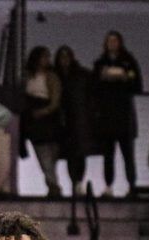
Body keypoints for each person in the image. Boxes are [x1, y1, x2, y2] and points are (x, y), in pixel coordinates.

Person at [92, 31, 143, 196]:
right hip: (107, 116)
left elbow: (137, 86)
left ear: (120, 42)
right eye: (110, 41)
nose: (113, 43)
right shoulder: (100, 63)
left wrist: (123, 77)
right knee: (108, 155)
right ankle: (108, 186)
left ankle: (132, 186)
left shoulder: (129, 61)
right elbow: (94, 87)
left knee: (128, 154)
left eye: (115, 40)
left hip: (124, 115)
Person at [22, 46, 64, 197]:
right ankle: (53, 184)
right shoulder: (28, 76)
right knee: (42, 152)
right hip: (33, 117)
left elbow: (55, 100)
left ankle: (52, 183)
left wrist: (43, 111)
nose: (47, 60)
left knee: (51, 153)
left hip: (48, 117)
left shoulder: (51, 77)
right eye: (44, 57)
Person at [55, 46, 95, 193]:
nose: (65, 60)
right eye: (62, 57)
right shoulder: (54, 75)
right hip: (61, 122)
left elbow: (90, 95)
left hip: (79, 120)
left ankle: (78, 182)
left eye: (67, 56)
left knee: (79, 153)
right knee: (68, 154)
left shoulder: (82, 75)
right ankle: (71, 182)